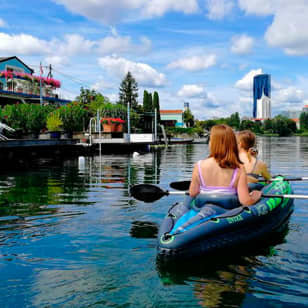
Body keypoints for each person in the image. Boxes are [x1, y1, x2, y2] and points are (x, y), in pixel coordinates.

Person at [189, 124, 261, 206]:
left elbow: (193, 193)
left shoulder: (199, 166)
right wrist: (255, 196)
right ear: (232, 144)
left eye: (210, 140)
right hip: (227, 210)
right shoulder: (239, 169)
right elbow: (245, 201)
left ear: (213, 144)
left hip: (203, 206)